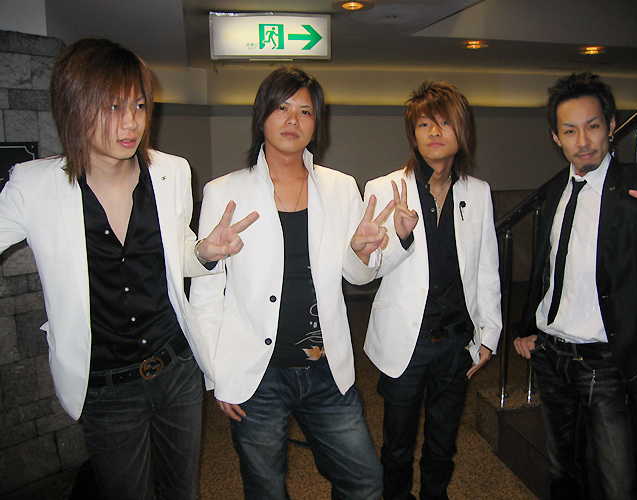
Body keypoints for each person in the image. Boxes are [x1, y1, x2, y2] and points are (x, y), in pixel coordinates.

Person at [0, 38, 256, 500]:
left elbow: (173, 255)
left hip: (175, 368)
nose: (131, 122)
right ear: (75, 107)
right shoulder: (33, 186)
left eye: (139, 105)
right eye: (113, 107)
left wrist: (204, 252)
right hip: (104, 385)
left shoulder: (171, 172)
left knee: (182, 491)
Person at [189, 66, 388, 500]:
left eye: (305, 111)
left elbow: (358, 277)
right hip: (257, 375)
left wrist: (361, 253)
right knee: (265, 489)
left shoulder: (340, 188)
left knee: (365, 482)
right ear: (262, 115)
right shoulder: (224, 192)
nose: (293, 120)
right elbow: (205, 295)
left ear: (317, 124)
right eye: (282, 108)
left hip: (325, 367)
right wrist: (216, 374)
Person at [514, 71, 637, 500]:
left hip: (605, 361)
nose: (583, 141)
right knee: (562, 470)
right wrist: (528, 327)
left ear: (611, 126)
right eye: (570, 131)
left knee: (619, 484)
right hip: (551, 355)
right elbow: (546, 268)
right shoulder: (556, 189)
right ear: (556, 137)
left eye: (593, 126)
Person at [362, 81, 503, 500]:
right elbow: (368, 269)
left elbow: (487, 269)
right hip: (407, 341)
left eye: (444, 123)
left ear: (462, 131)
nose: (435, 132)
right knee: (397, 446)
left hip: (457, 341)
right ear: (413, 134)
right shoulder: (385, 189)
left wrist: (489, 335)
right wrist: (401, 237)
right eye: (425, 124)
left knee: (443, 445)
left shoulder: (477, 192)